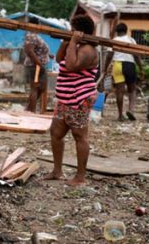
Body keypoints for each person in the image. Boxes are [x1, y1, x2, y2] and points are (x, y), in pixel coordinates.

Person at [44, 15, 98, 186]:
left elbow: (71, 66)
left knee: (79, 136)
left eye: (72, 28)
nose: (69, 31)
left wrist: (73, 42)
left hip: (80, 98)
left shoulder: (88, 50)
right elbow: (60, 59)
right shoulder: (73, 45)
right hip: (64, 98)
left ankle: (80, 177)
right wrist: (67, 41)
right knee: (56, 134)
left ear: (80, 31)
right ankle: (57, 171)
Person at [102, 23, 143, 121]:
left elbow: (109, 56)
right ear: (126, 30)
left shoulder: (114, 40)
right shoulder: (131, 40)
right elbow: (136, 55)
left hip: (118, 65)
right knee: (131, 90)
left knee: (119, 91)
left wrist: (105, 68)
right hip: (130, 65)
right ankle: (131, 110)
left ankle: (120, 115)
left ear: (116, 31)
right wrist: (141, 68)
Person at [23, 16, 52, 113]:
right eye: (39, 25)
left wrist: (48, 55)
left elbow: (38, 50)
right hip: (35, 66)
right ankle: (31, 110)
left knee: (41, 87)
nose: (40, 27)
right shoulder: (31, 36)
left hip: (39, 65)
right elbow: (29, 51)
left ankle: (29, 108)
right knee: (35, 87)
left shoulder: (35, 36)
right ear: (35, 25)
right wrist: (39, 63)